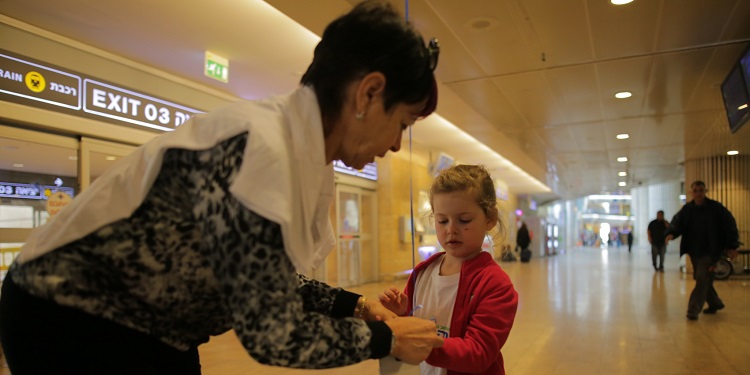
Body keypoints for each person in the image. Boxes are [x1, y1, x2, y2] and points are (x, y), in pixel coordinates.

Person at [0, 1, 444, 373]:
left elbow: (260, 277)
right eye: (401, 124)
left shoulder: (291, 147)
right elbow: (274, 334)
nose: (392, 146)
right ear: (368, 93)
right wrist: (385, 337)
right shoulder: (261, 148)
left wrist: (355, 305)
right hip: (68, 315)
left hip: (146, 321)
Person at [379, 165, 519, 375]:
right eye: (442, 220)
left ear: (489, 218)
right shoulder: (422, 272)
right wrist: (400, 315)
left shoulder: (495, 285)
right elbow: (413, 323)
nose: (451, 229)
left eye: (464, 220)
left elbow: (478, 353)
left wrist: (417, 344)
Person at [665, 181, 741, 320]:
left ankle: (692, 310)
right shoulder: (687, 210)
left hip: (711, 251)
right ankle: (715, 303)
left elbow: (729, 225)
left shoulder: (716, 209)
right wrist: (671, 233)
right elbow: (677, 222)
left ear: (705, 191)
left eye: (701, 190)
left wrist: (732, 245)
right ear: (691, 192)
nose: (698, 193)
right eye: (695, 190)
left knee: (702, 278)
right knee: (703, 278)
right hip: (694, 251)